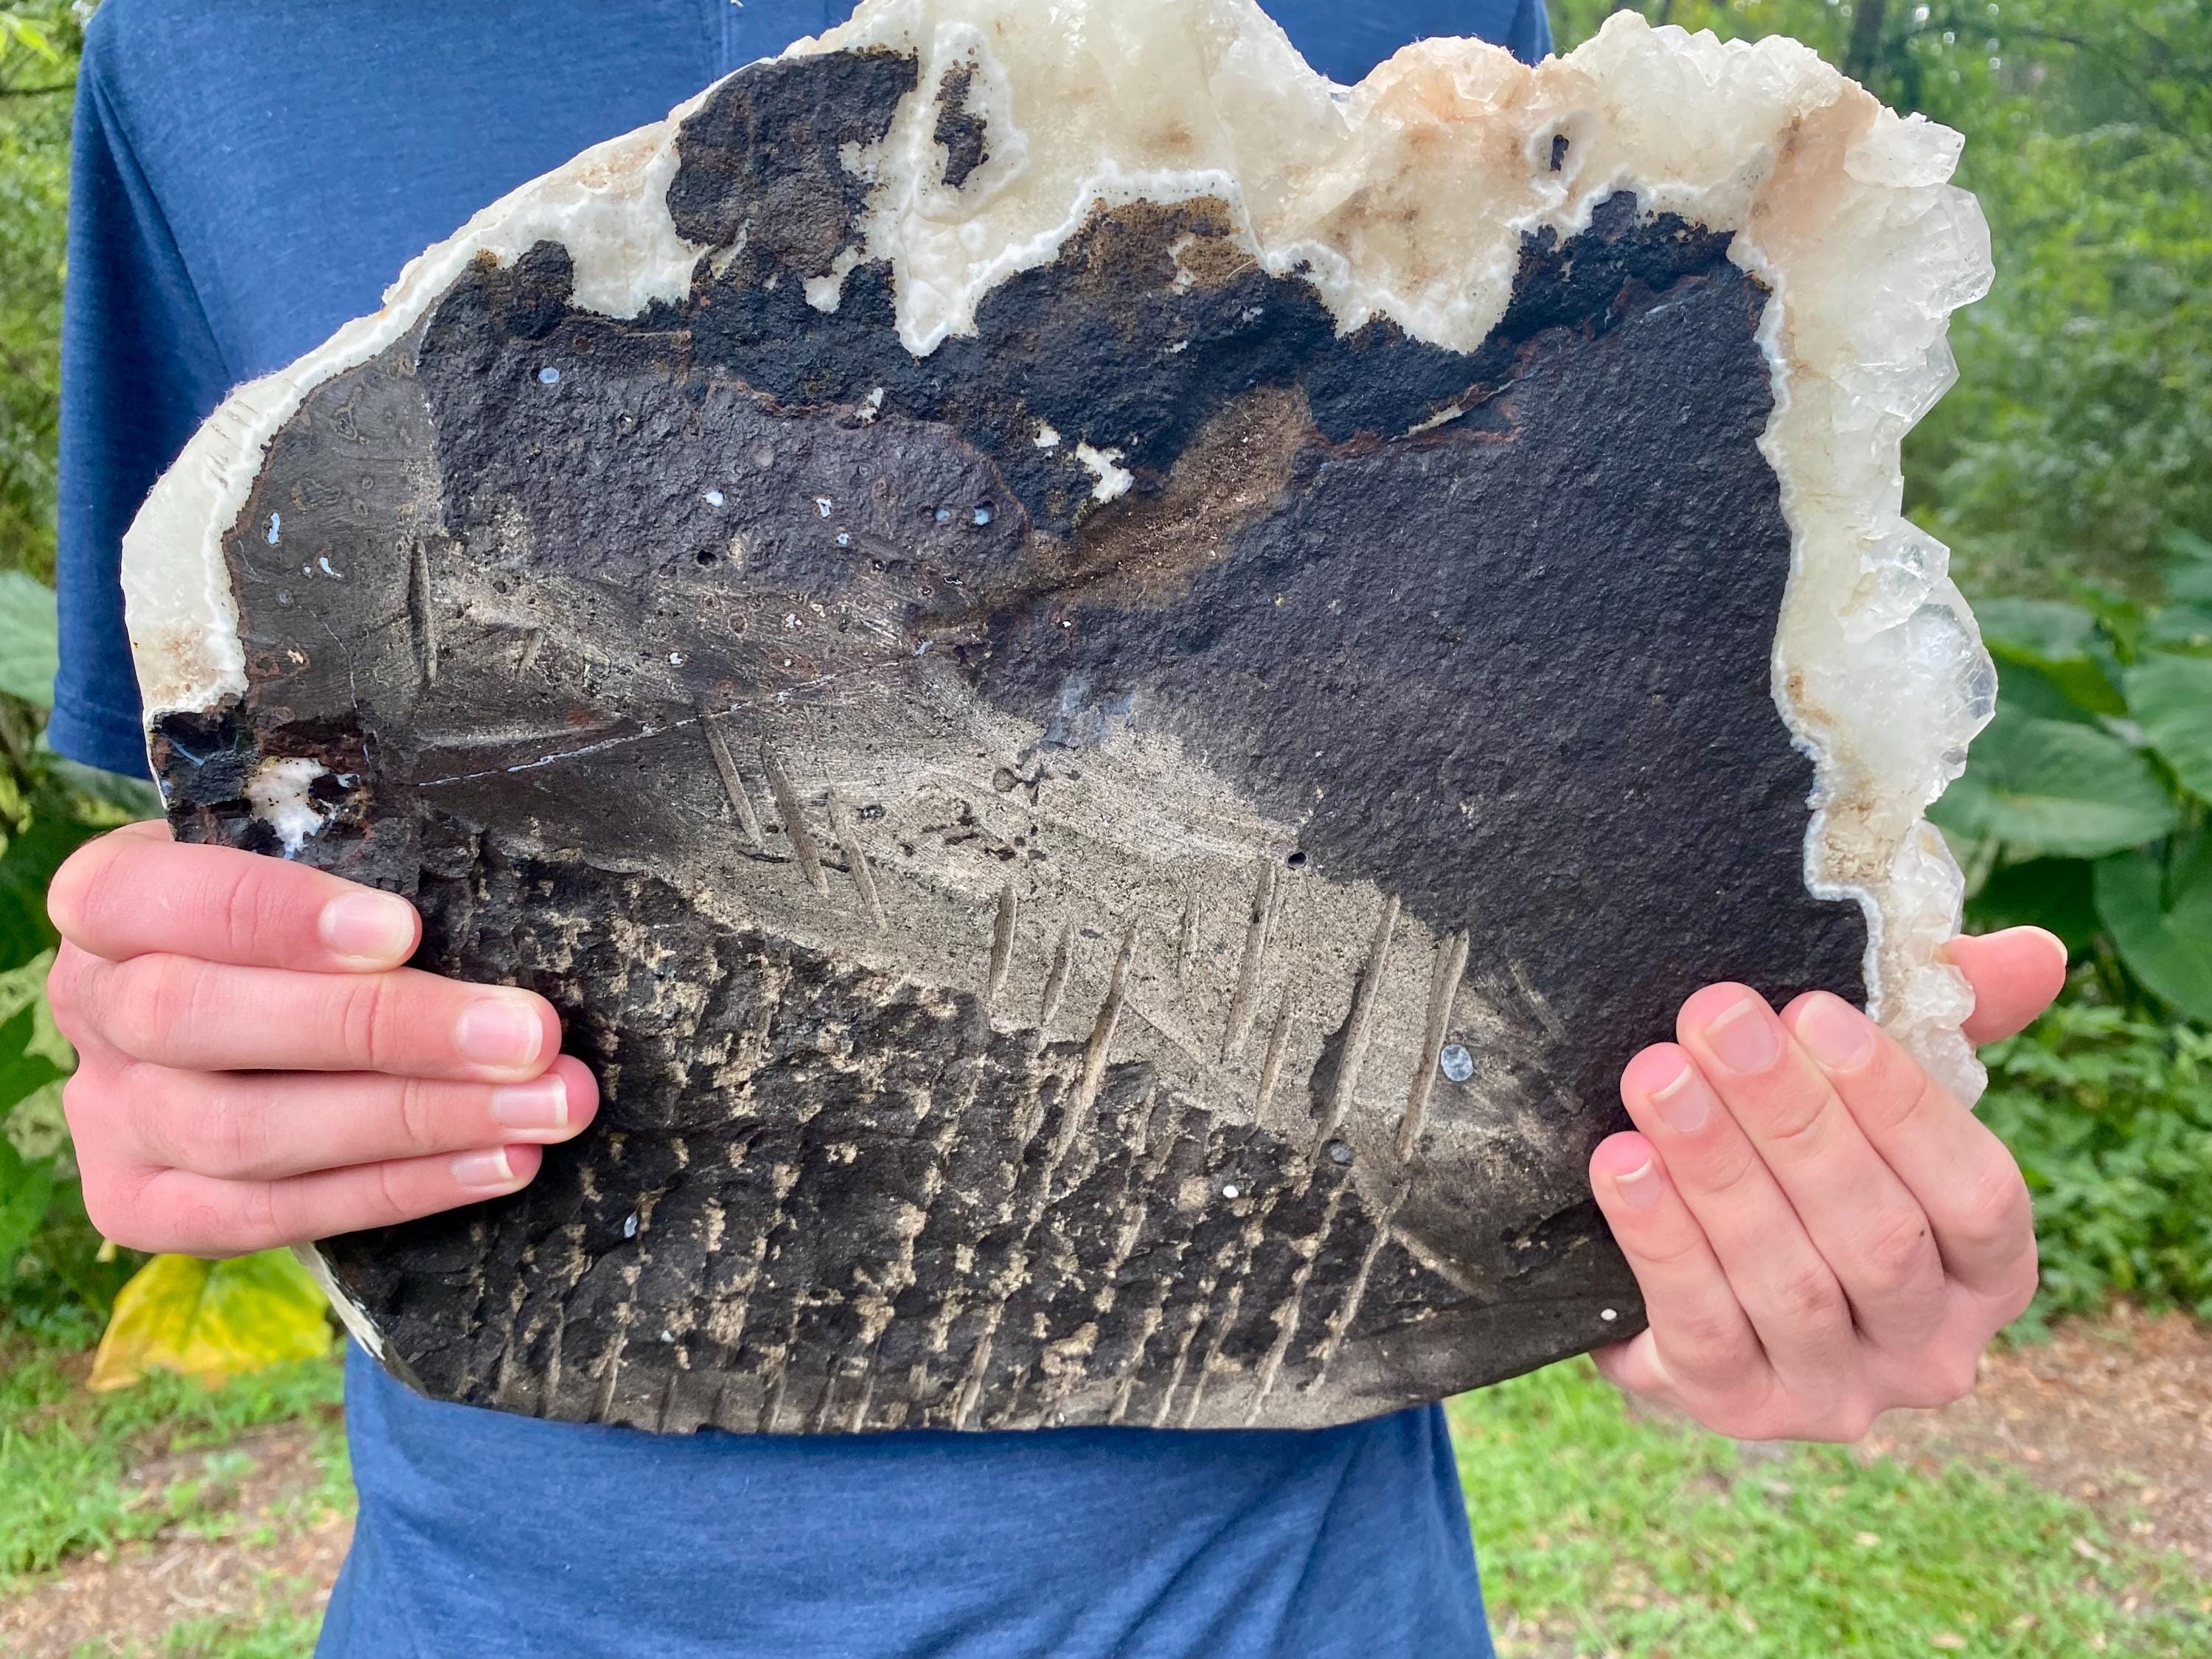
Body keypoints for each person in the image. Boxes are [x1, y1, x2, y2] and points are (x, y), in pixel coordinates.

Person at [46, 3, 2062, 1656]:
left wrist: (1727, 1217)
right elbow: (239, 836)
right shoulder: (211, 43)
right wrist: (164, 1048)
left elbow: (1587, 855)